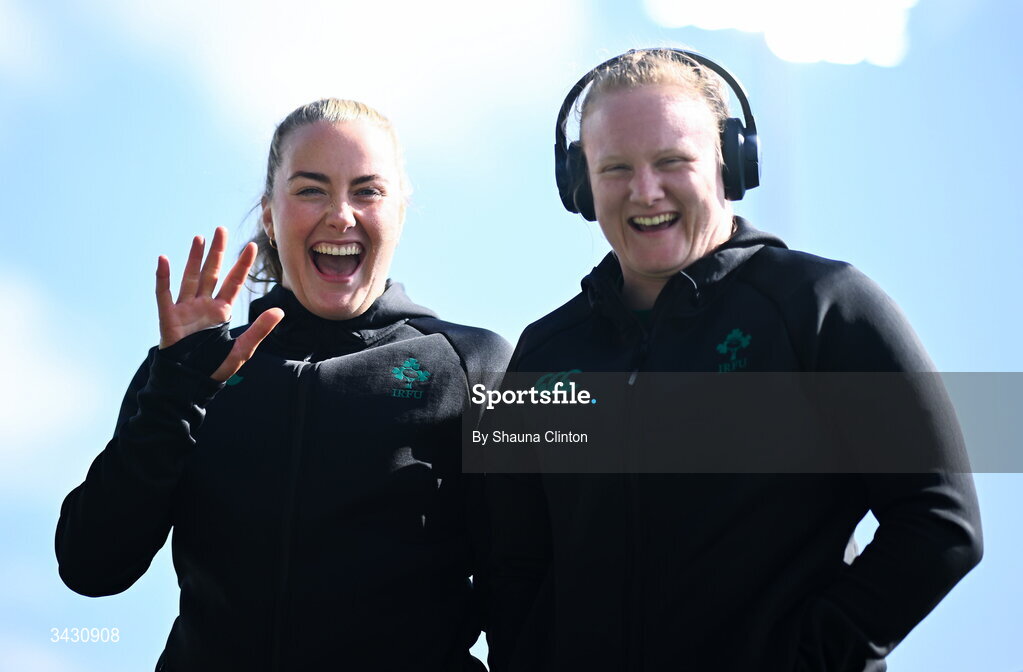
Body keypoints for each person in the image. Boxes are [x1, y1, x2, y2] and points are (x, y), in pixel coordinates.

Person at [485, 49, 982, 672]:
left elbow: (941, 524)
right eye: (616, 167)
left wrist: (805, 659)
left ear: (730, 164)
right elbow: (516, 567)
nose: (646, 190)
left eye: (672, 161)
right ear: (580, 184)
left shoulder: (824, 306)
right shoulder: (542, 351)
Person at [56, 98, 510, 671]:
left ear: (400, 209)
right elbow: (90, 566)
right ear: (270, 214)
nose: (341, 214)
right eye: (311, 189)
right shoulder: (193, 368)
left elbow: (534, 578)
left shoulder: (473, 364)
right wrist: (176, 388)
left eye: (368, 191)